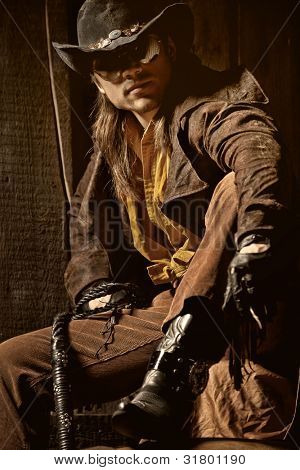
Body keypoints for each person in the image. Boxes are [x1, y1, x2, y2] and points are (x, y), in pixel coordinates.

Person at [0, 0, 299, 450]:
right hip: (163, 309)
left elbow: (253, 152)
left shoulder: (209, 108)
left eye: (143, 51)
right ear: (98, 80)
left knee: (236, 186)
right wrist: (96, 287)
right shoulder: (113, 143)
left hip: (226, 305)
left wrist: (257, 237)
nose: (131, 71)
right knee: (9, 364)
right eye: (112, 62)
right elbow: (85, 217)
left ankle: (175, 362)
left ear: (170, 48)